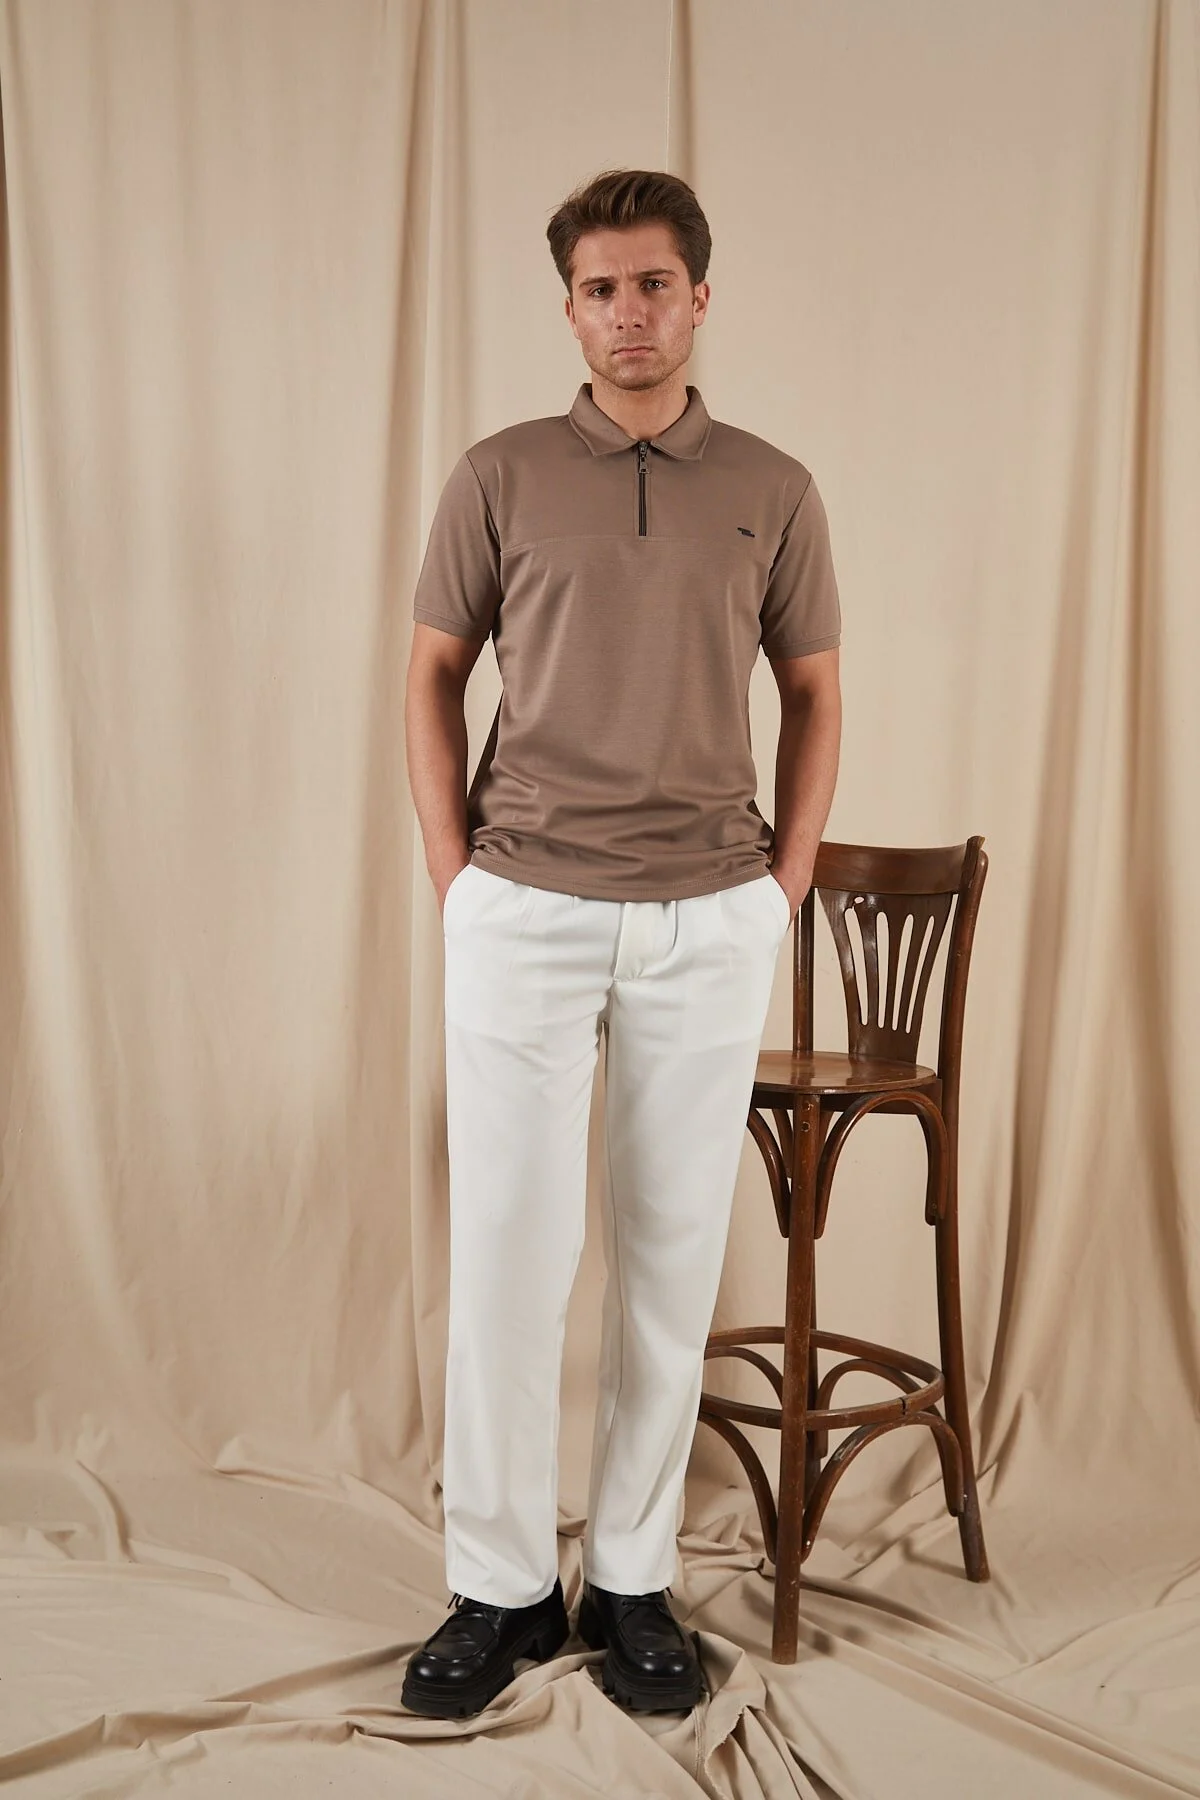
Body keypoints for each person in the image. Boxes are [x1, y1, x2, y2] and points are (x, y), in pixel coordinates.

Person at [401, 168, 841, 1719]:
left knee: (668, 1258)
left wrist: (779, 886)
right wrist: (458, 878)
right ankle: (500, 1588)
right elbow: (432, 671)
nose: (629, 312)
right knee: (509, 1255)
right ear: (571, 308)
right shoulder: (500, 474)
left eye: (655, 284)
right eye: (601, 289)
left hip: (707, 914)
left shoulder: (774, 485)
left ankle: (634, 1580)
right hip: (523, 904)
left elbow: (815, 691)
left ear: (699, 297)